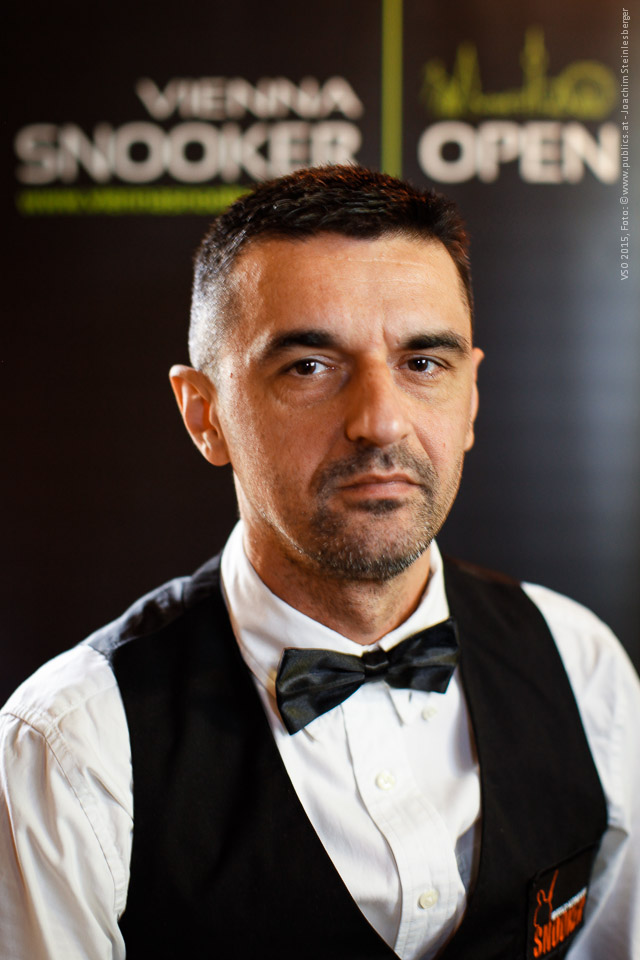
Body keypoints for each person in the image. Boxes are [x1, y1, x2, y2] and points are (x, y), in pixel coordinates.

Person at [1, 166, 638, 960]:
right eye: (309, 366)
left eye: (423, 363)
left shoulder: (581, 665)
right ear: (204, 414)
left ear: (472, 397)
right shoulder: (69, 750)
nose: (380, 421)